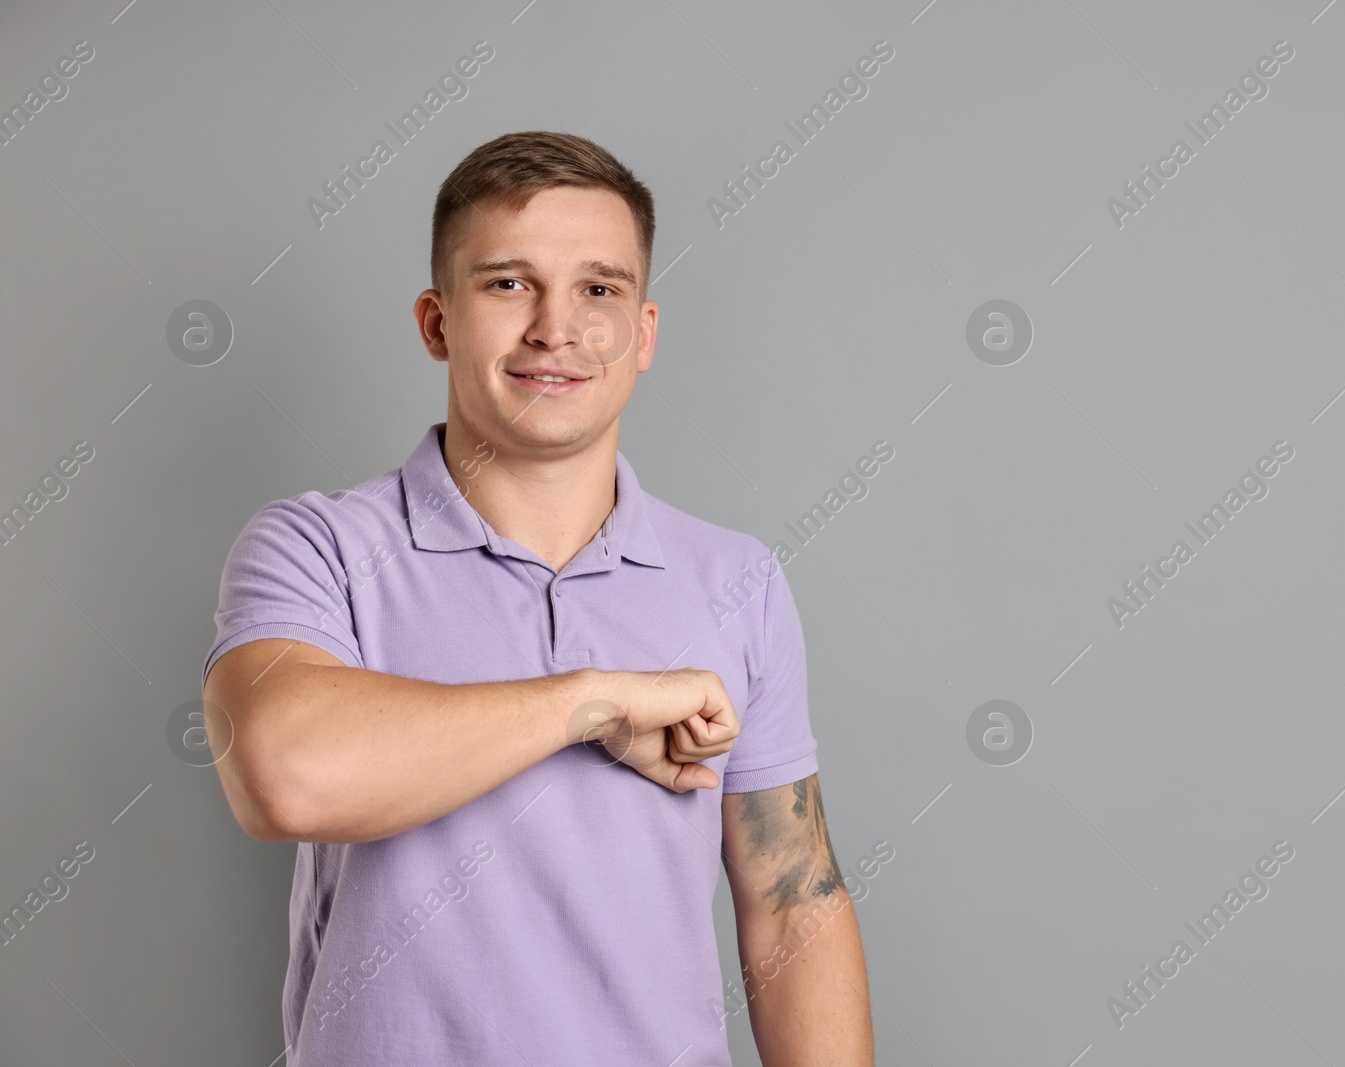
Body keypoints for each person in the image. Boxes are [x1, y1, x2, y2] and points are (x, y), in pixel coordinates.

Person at [200, 130, 872, 1066]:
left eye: (599, 288)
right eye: (509, 283)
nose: (557, 327)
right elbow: (283, 773)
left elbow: (792, 895)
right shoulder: (318, 547)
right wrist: (592, 703)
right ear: (436, 322)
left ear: (642, 333)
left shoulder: (738, 580)